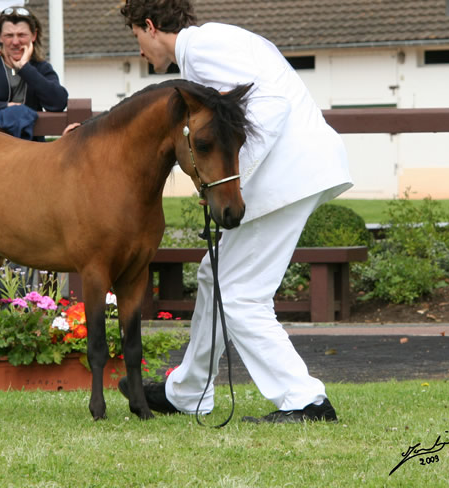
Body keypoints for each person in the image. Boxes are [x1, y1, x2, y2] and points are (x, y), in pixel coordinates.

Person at [118, 0, 353, 423]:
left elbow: (273, 105)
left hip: (288, 175)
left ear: (149, 27)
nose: (139, 51)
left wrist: (230, 179)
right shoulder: (208, 44)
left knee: (241, 295)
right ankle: (189, 391)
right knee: (214, 275)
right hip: (292, 173)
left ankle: (304, 401)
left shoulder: (204, 46)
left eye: (136, 37)